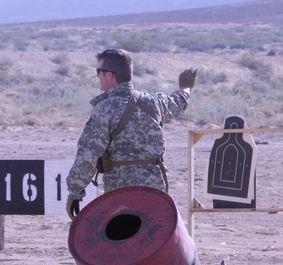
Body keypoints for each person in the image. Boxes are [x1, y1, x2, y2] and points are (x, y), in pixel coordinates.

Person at [65, 48, 197, 219]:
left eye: (99, 71)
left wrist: (75, 192)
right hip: (155, 190)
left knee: (124, 242)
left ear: (109, 76)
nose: (97, 76)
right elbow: (178, 102)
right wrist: (185, 88)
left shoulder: (104, 110)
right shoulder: (154, 102)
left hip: (120, 193)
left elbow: (88, 156)